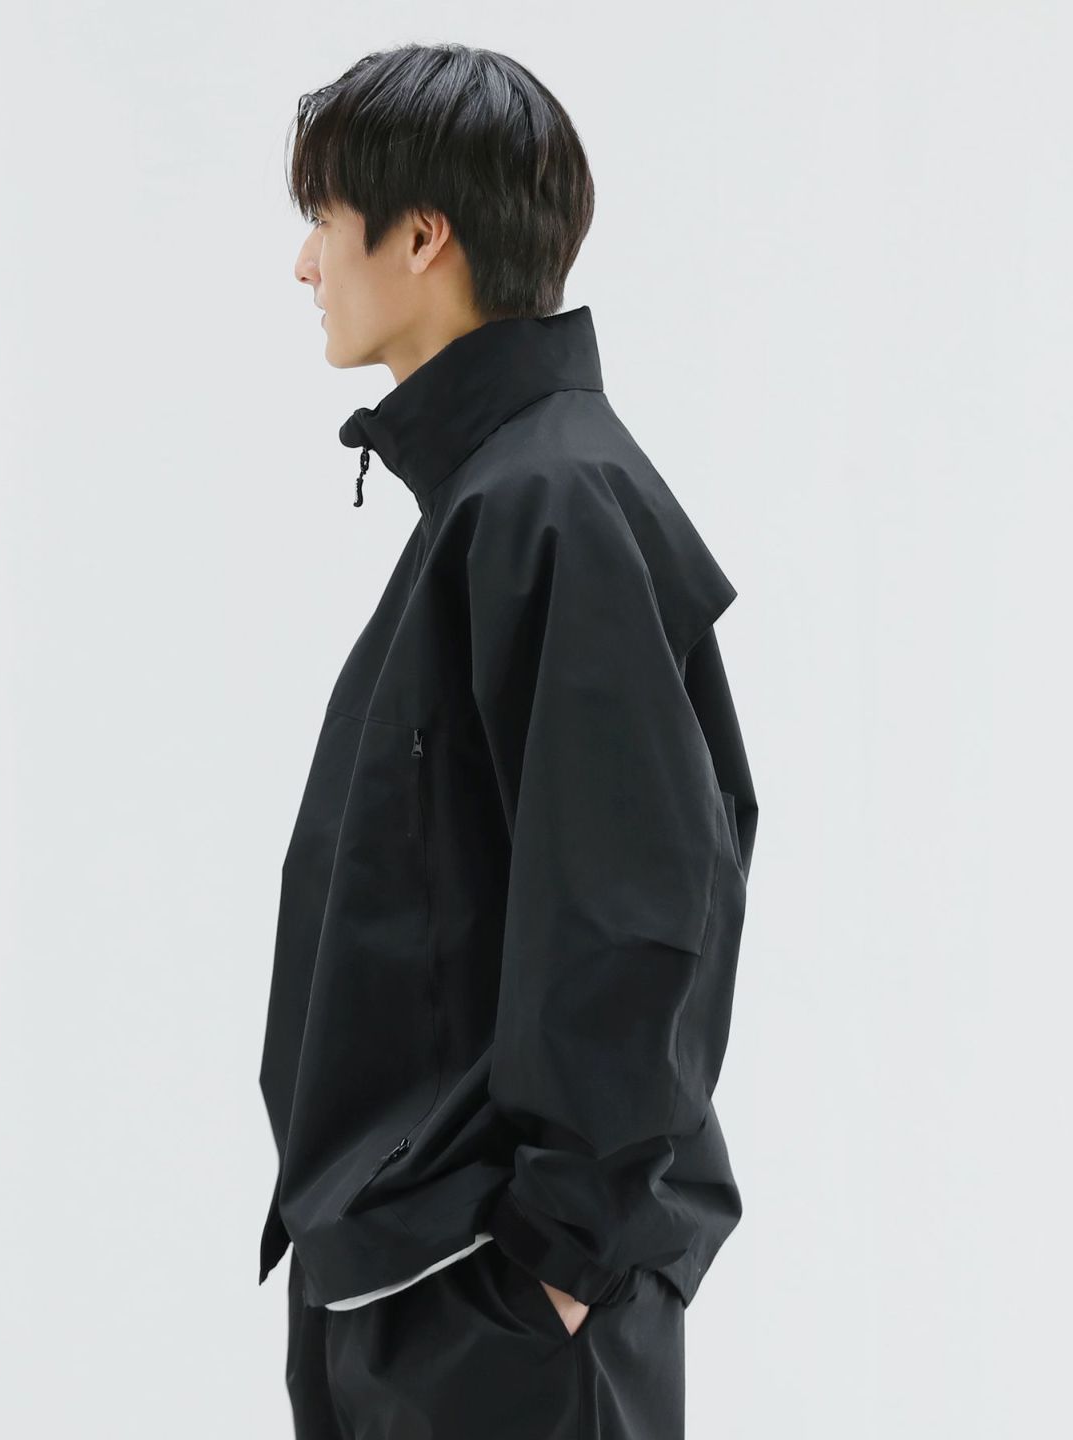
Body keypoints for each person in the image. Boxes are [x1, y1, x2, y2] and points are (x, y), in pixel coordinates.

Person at [258, 41, 758, 1440]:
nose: (305, 264)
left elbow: (645, 895)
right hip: (418, 1279)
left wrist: (559, 1260)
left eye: (326, 218)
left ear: (423, 237)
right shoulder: (500, 492)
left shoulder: (553, 501)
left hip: (495, 1306)